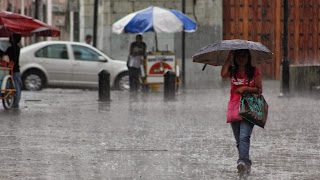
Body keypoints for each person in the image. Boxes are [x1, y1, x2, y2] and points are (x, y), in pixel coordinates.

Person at [220, 49, 262, 174]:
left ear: (248, 58)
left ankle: (241, 161)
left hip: (249, 108)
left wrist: (245, 88)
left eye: (244, 56)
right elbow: (223, 74)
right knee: (239, 139)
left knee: (244, 136)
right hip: (234, 108)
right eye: (238, 56)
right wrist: (229, 56)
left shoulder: (253, 72)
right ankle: (246, 163)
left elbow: (259, 89)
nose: (241, 58)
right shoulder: (232, 71)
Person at [5, 34, 22, 108]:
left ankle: (15, 102)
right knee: (16, 85)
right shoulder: (17, 48)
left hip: (13, 69)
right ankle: (16, 101)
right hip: (16, 69)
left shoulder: (12, 49)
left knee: (15, 85)